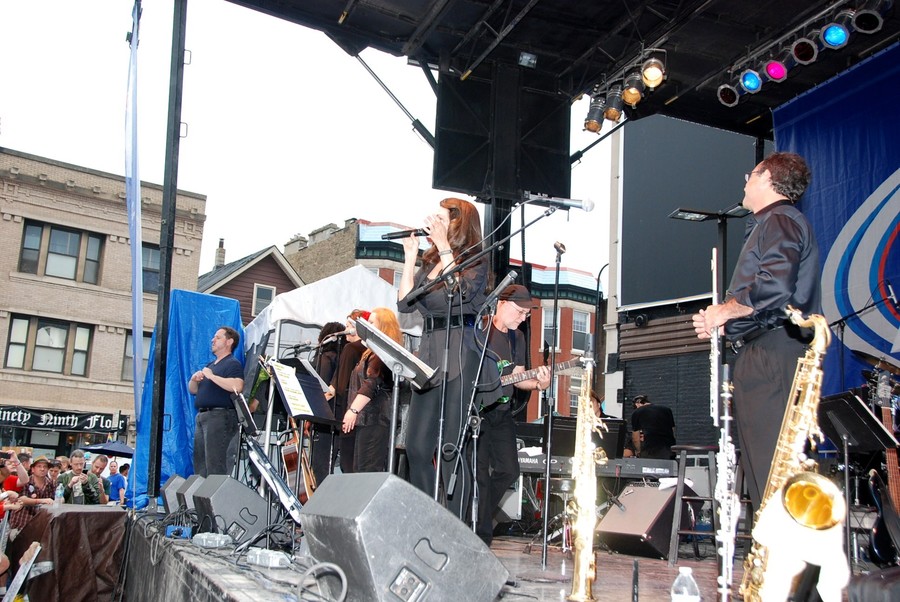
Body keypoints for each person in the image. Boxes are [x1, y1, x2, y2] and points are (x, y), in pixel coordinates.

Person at [692, 151, 818, 511]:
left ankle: (786, 546)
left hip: (774, 353)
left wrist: (725, 312)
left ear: (767, 179)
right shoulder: (774, 222)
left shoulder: (780, 219)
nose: (745, 181)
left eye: (751, 174)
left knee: (775, 471)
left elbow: (775, 285)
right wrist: (726, 321)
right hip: (766, 350)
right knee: (766, 470)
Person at [398, 197, 489, 519]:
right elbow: (405, 303)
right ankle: (427, 517)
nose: (432, 222)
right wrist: (410, 258)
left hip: (460, 353)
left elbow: (459, 292)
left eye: (439, 218)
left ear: (458, 223)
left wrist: (445, 247)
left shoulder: (476, 260)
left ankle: (455, 524)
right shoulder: (432, 261)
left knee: (451, 447)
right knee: (416, 446)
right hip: (429, 354)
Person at [473, 284, 550, 545]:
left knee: (509, 470)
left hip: (502, 412)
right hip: (479, 412)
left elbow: (518, 377)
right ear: (501, 303)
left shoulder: (517, 338)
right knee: (480, 475)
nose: (522, 318)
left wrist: (539, 384)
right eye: (519, 312)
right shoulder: (480, 328)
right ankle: (481, 535)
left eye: (526, 315)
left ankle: (478, 518)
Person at [341, 307, 404, 472]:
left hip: (375, 419)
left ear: (383, 326)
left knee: (367, 470)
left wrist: (353, 410)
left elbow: (372, 383)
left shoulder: (383, 353)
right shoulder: (372, 351)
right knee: (361, 470)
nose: (367, 326)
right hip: (367, 419)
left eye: (371, 322)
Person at [188, 326, 244, 477]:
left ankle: (214, 491)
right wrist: (194, 380)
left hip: (219, 417)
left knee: (215, 464)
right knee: (201, 465)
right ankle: (202, 491)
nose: (213, 340)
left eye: (218, 337)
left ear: (229, 341)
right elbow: (193, 390)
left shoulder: (232, 363)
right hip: (202, 416)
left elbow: (237, 386)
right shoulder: (210, 365)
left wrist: (212, 376)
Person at [327, 310, 368, 474]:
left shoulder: (350, 349)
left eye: (348, 326)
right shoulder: (368, 350)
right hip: (365, 412)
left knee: (347, 461)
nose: (345, 330)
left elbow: (339, 384)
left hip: (347, 409)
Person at [309, 321, 346, 484]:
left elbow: (323, 388)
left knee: (320, 465)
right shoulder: (343, 358)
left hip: (324, 416)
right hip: (338, 415)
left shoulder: (325, 358)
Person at [8, 455, 54, 538]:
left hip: (40, 526)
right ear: (32, 469)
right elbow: (22, 499)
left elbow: (55, 499)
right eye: (39, 466)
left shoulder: (51, 483)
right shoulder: (25, 481)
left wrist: (60, 499)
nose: (42, 469)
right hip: (21, 524)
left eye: (45, 467)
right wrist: (41, 500)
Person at [630, 395, 676, 459]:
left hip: (650, 449)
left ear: (638, 403)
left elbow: (635, 436)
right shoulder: (667, 410)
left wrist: (638, 451)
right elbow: (673, 429)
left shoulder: (637, 412)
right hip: (668, 448)